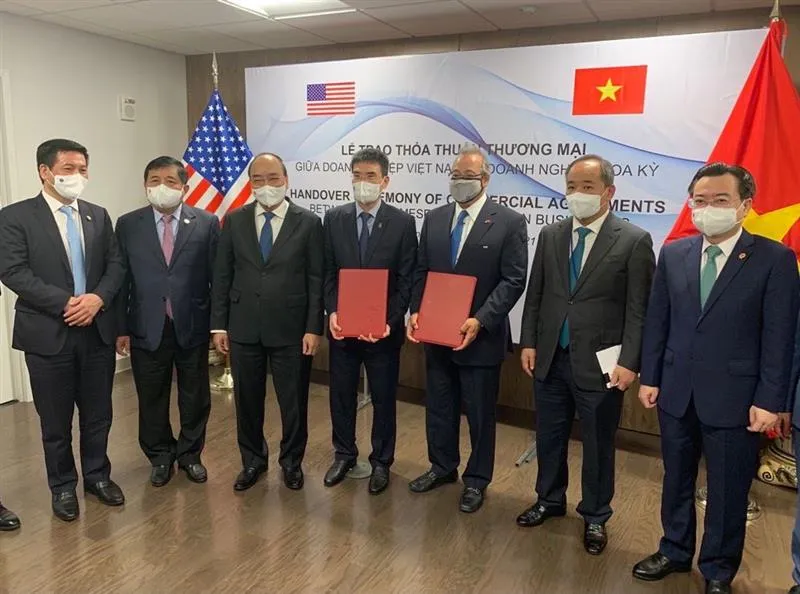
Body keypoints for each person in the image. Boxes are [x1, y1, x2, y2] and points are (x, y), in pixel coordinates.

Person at [632, 163, 799, 594]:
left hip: (738, 397)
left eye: (720, 200)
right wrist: (650, 376)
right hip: (676, 390)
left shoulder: (774, 259)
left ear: (745, 206)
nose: (708, 209)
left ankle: (719, 570)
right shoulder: (674, 253)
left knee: (727, 490)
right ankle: (673, 549)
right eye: (700, 201)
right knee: (676, 477)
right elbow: (658, 321)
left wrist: (770, 399)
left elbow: (780, 338)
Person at [516, 154, 655, 555]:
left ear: (609, 192)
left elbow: (638, 309)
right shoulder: (551, 234)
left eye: (588, 188)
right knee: (549, 436)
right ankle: (549, 498)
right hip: (551, 357)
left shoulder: (633, 240)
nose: (578, 195)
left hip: (602, 365)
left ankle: (595, 515)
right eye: (572, 187)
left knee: (597, 444)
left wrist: (631, 361)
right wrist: (528, 342)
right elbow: (536, 294)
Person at [0, 138, 125, 522]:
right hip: (47, 333)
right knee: (55, 421)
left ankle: (97, 477)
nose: (78, 176)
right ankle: (63, 487)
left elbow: (116, 266)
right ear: (45, 171)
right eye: (69, 169)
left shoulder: (97, 215)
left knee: (98, 413)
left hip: (95, 331)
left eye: (83, 169)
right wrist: (66, 303)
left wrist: (97, 300)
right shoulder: (15, 216)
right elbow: (13, 270)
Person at [406, 143, 527, 513]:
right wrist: (415, 311)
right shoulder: (436, 218)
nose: (460, 182)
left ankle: (477, 479)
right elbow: (421, 270)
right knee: (439, 406)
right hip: (437, 334)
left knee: (479, 412)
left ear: (485, 179)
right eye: (455, 175)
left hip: (480, 337)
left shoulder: (509, 221)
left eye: (468, 176)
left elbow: (513, 279)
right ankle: (442, 466)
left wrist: (481, 319)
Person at [211, 152, 324, 492]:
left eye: (273, 178)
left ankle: (291, 463)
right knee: (247, 401)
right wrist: (219, 325)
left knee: (293, 402)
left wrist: (312, 327)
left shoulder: (308, 222)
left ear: (286, 180)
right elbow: (222, 274)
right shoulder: (234, 220)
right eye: (258, 180)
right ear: (250, 184)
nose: (266, 186)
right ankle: (252, 461)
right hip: (243, 326)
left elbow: (316, 278)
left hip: (291, 329)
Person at [115, 156, 220, 487]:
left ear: (185, 188)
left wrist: (219, 325)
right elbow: (121, 281)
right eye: (154, 180)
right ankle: (160, 456)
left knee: (195, 394)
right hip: (146, 325)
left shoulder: (206, 222)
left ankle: (190, 455)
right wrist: (120, 328)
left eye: (171, 181)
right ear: (145, 186)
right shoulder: (127, 224)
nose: (162, 187)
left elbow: (218, 278)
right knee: (151, 396)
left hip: (192, 323)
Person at [322, 147, 417, 495]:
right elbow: (327, 274)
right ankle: (344, 454)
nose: (363, 183)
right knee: (341, 396)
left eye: (371, 177)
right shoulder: (333, 219)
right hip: (342, 330)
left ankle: (381, 462)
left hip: (384, 334)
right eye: (357, 176)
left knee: (383, 398)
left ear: (385, 181)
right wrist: (332, 311)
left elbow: (407, 280)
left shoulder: (403, 223)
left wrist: (390, 320)